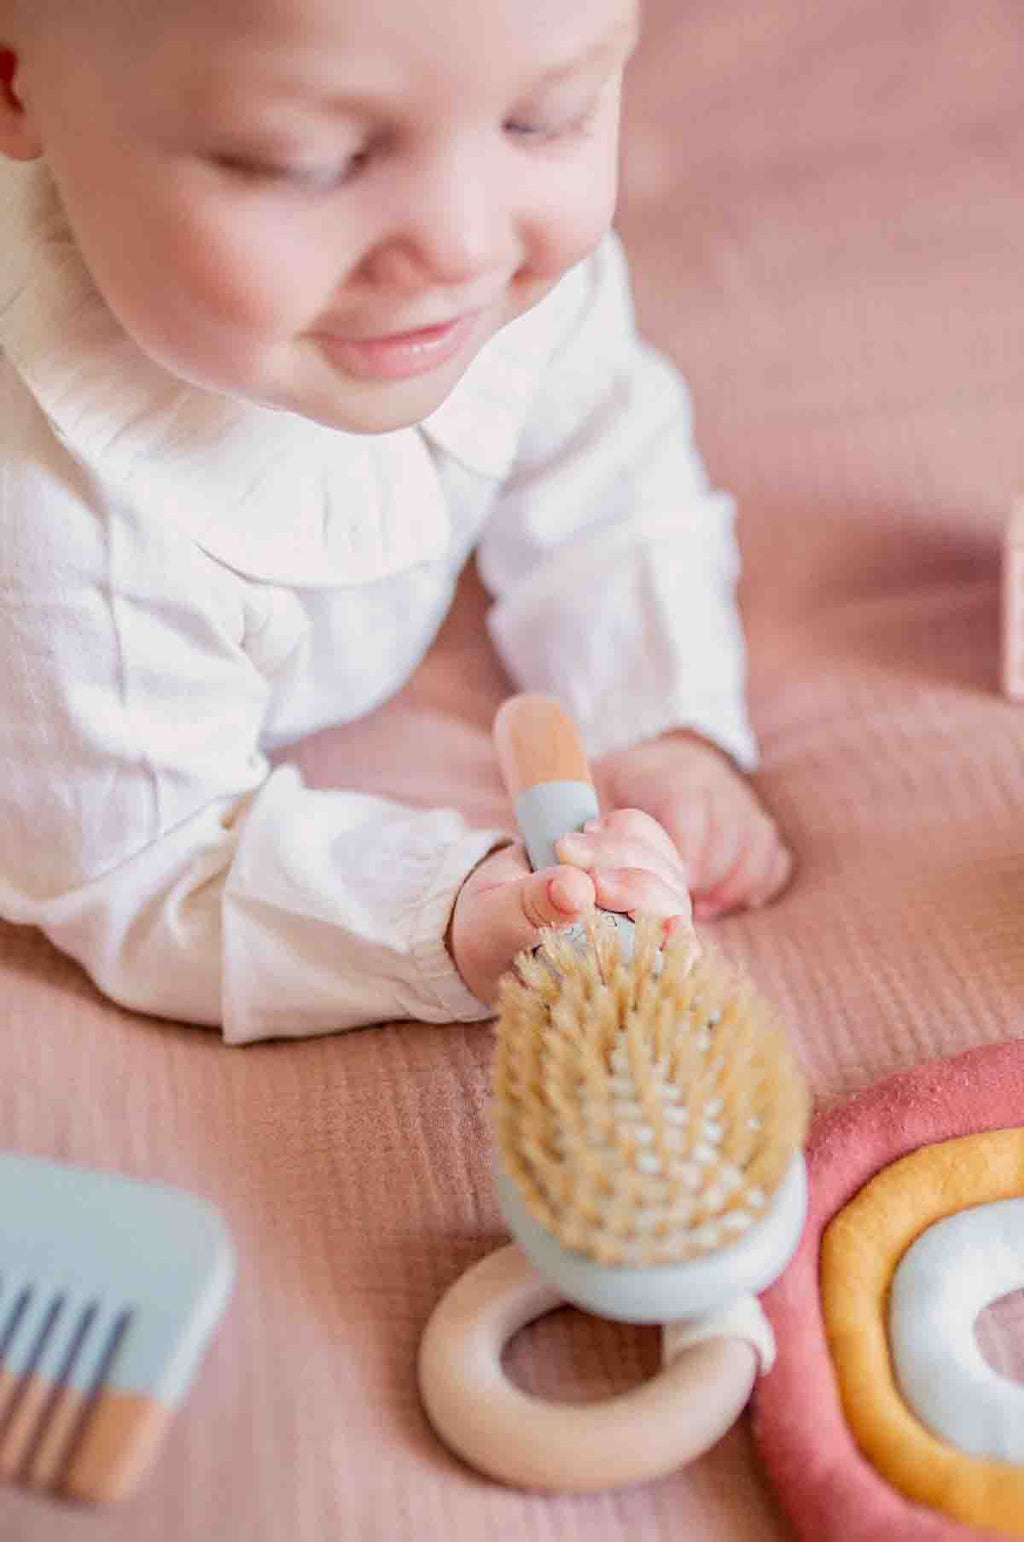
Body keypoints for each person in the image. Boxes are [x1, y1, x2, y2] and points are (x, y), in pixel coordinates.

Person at [0, 0, 792, 1043]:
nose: (461, 244)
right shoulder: (57, 528)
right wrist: (444, 915)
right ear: (18, 86)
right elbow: (146, 868)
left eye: (544, 118)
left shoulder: (512, 269)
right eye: (306, 161)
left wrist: (660, 722)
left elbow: (610, 469)